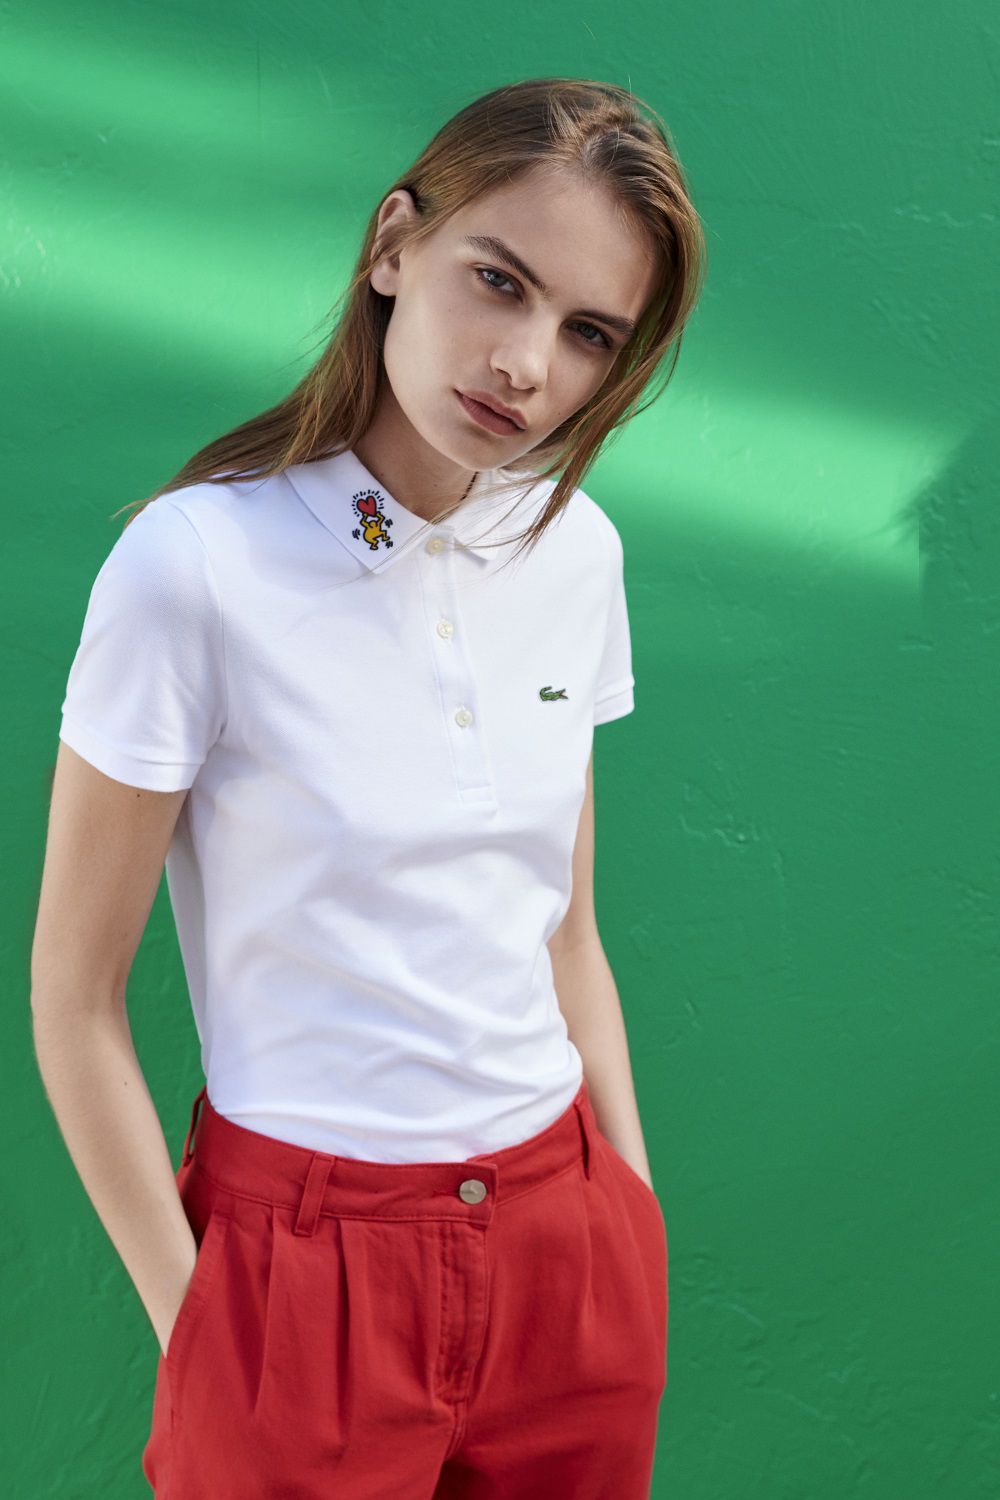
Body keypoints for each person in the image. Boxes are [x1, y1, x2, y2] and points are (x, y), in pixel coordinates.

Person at [30, 76, 705, 1498]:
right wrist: (200, 1328)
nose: (525, 363)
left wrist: (628, 1218)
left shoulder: (579, 556)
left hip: (565, 1253)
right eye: (498, 281)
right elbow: (73, 996)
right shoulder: (193, 567)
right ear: (395, 244)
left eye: (588, 332)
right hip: (300, 1269)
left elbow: (564, 931)